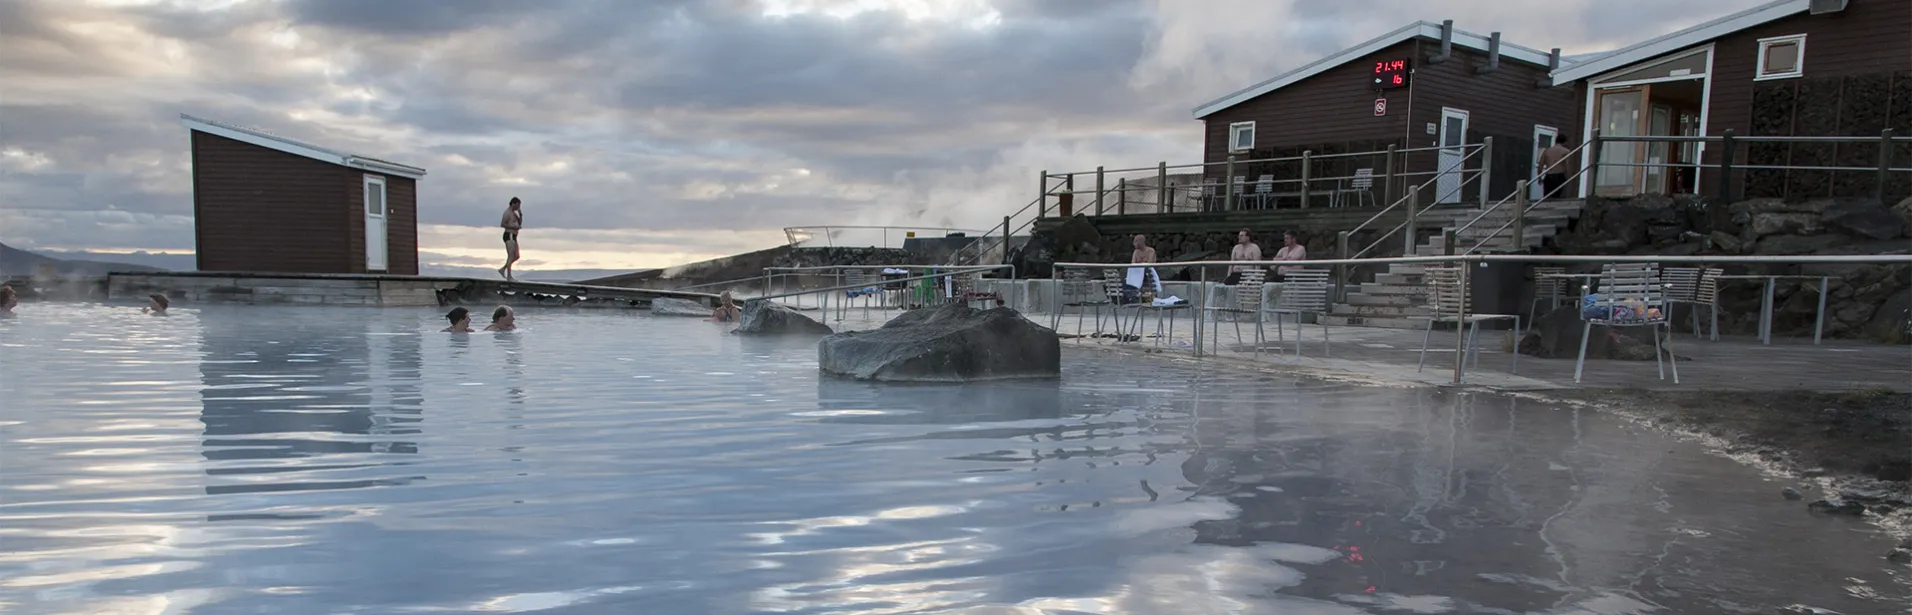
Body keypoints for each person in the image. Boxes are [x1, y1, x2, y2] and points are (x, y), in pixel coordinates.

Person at [499, 197, 524, 281]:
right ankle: (509, 276)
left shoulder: (514, 213)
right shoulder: (507, 213)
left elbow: (520, 223)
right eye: (518, 205)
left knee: (517, 256)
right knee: (511, 256)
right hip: (509, 234)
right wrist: (513, 226)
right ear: (513, 203)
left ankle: (503, 269)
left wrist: (520, 215)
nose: (518, 207)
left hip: (514, 236)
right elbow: (502, 224)